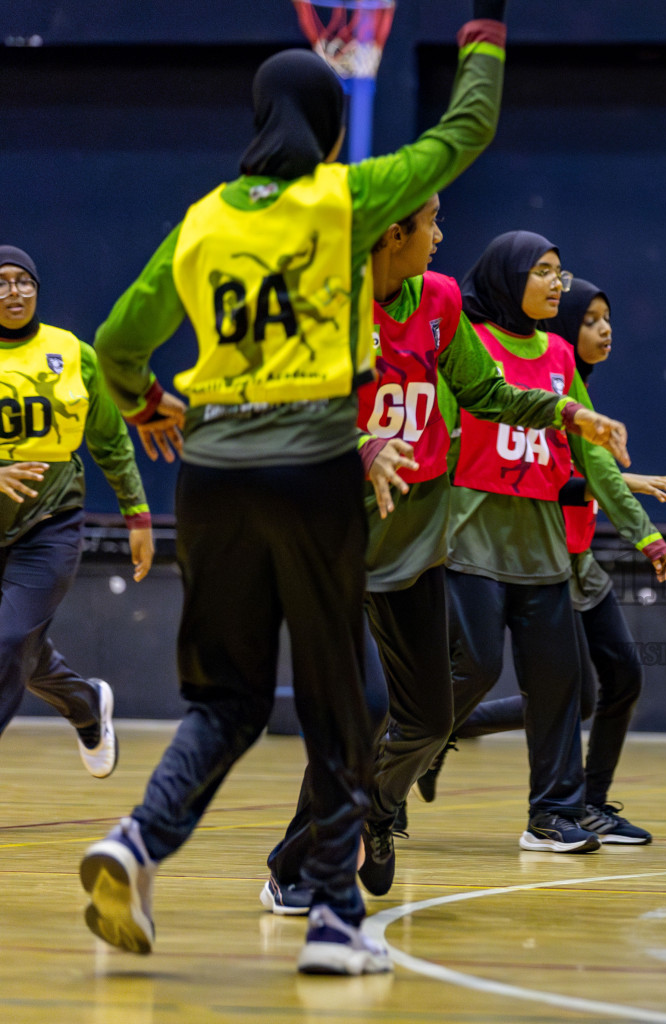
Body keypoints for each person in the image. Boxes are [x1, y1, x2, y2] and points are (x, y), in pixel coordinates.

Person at [80, 1, 523, 976]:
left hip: (213, 476)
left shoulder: (200, 221)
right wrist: (486, 22)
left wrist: (152, 402)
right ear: (327, 127)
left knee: (226, 700)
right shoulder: (344, 197)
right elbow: (468, 129)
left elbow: (115, 344)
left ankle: (139, 840)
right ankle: (330, 917)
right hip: (314, 467)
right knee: (343, 698)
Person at [261, 198, 630, 910]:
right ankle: (293, 867)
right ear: (393, 235)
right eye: (431, 223)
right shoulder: (325, 308)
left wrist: (567, 411)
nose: (441, 237)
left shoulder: (438, 301)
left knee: (428, 718)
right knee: (362, 709)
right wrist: (365, 444)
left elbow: (484, 390)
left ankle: (371, 809)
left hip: (414, 544)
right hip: (334, 542)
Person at [413, 278, 666, 845]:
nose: (604, 328)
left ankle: (578, 803)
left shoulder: (564, 374)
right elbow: (539, 471)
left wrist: (628, 505)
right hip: (521, 551)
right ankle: (428, 740)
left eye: (606, 317)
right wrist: (616, 490)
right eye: (590, 319)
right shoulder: (496, 368)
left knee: (607, 681)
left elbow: (585, 467)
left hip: (573, 558)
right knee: (527, 680)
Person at [0, 246, 152, 778]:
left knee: (9, 639)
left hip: (50, 525)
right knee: (23, 647)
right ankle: (87, 704)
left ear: (37, 289)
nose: (13, 291)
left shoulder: (71, 352)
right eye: (2, 282)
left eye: (23, 281)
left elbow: (110, 440)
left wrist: (137, 514)